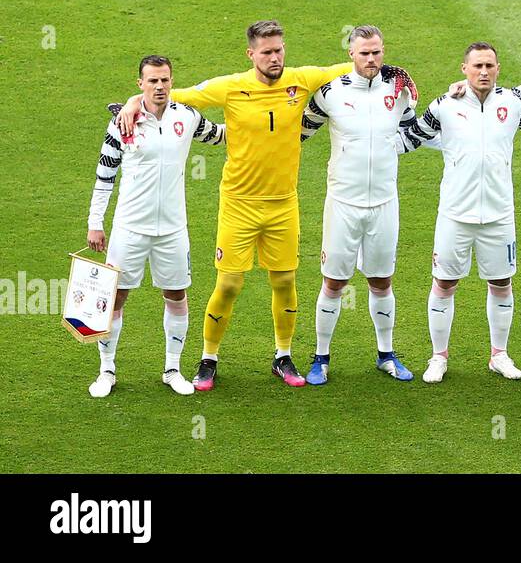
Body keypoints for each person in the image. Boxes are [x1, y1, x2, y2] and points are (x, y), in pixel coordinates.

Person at [115, 20, 416, 389]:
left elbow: (354, 65)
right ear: (251, 54)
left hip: (283, 203)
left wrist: (387, 69)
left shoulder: (301, 80)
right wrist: (133, 101)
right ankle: (208, 358)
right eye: (267, 52)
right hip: (239, 203)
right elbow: (175, 94)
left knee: (286, 281)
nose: (275, 58)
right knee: (227, 284)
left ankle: (283, 356)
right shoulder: (230, 87)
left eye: (279, 50)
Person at [403, 42, 521, 382]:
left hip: (499, 214)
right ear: (464, 69)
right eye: (477, 66)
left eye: (490, 66)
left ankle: (499, 355)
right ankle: (438, 357)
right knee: (444, 282)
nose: (484, 72)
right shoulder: (445, 105)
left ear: (498, 69)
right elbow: (412, 136)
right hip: (455, 213)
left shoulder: (513, 104)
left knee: (501, 282)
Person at [86, 56, 225, 397]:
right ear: (140, 84)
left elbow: (223, 136)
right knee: (115, 298)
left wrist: (267, 119)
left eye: (165, 80)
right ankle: (107, 370)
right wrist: (95, 222)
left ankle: (173, 368)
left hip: (173, 229)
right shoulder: (122, 124)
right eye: (152, 81)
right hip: (129, 228)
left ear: (171, 81)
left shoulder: (187, 117)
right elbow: (105, 175)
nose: (160, 87)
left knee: (177, 295)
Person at [299, 25, 421, 384]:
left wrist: (389, 148)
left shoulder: (399, 91)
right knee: (334, 282)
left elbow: (414, 133)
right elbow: (300, 132)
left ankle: (386, 354)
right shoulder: (330, 93)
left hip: (384, 202)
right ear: (350, 54)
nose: (371, 60)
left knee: (382, 280)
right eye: (364, 53)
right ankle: (320, 358)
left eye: (377, 53)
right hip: (343, 203)